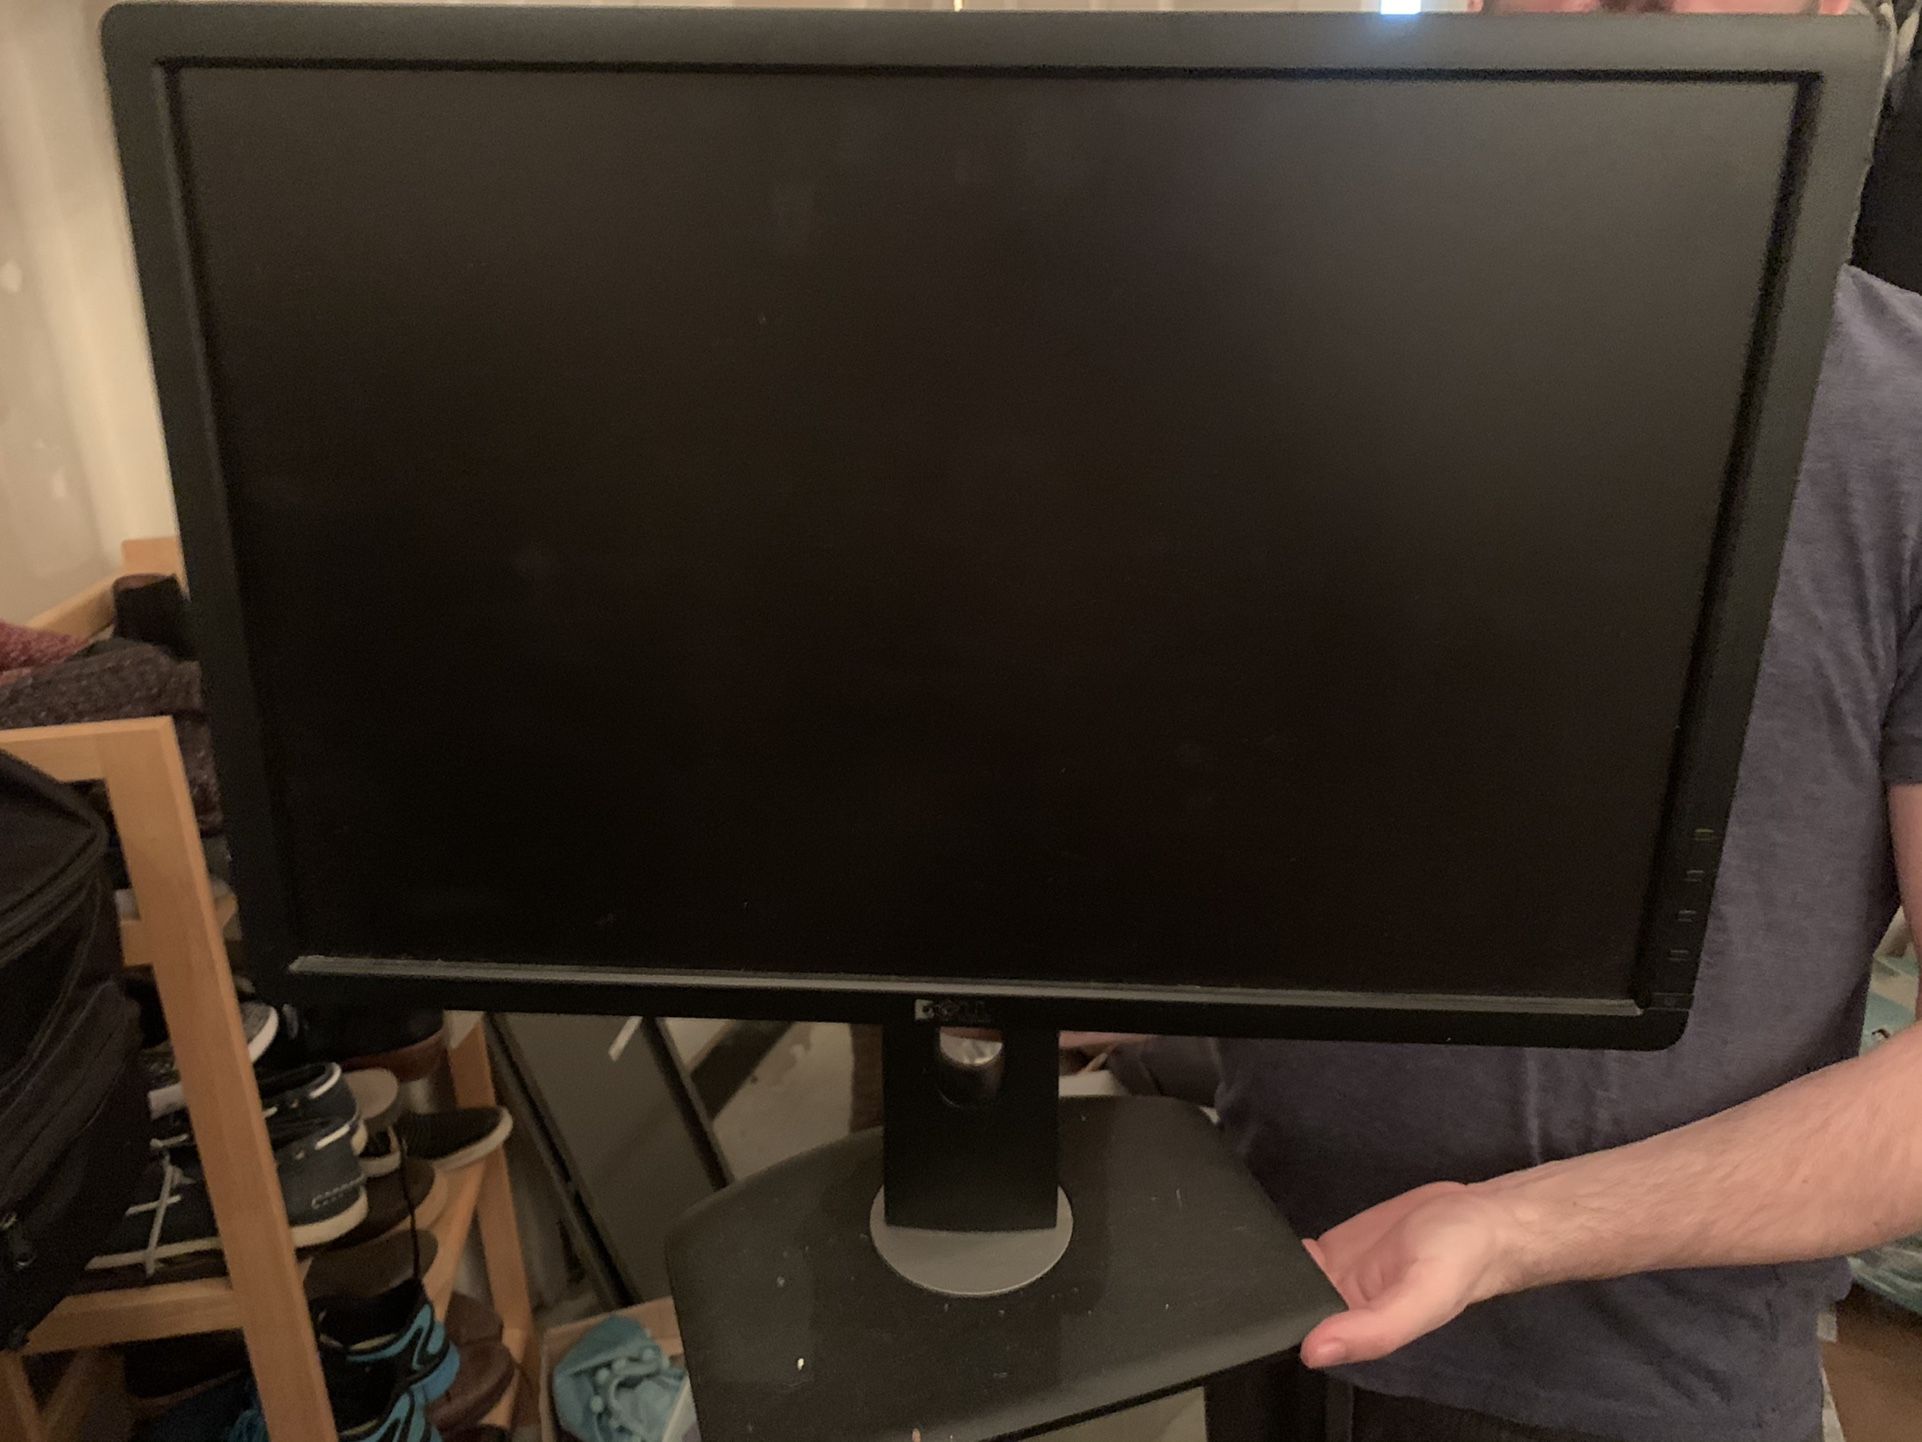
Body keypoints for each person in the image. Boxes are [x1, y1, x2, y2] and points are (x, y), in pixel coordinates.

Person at [1206, 123, 1922, 1442]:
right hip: (1267, 1296)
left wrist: (1513, 1229)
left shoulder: (1908, 425)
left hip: (1646, 1382)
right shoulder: (1295, 354)